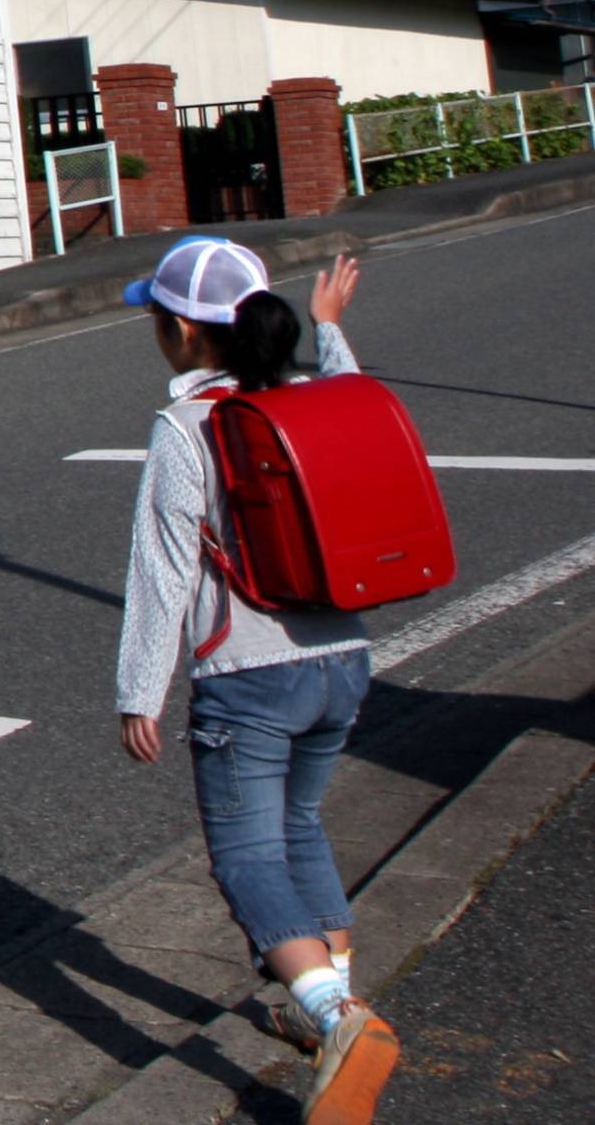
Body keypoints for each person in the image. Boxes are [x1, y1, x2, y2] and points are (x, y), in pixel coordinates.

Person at [114, 239, 396, 1124]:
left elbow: (163, 569)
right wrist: (332, 329)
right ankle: (324, 1014)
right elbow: (357, 406)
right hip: (341, 661)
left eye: (157, 319)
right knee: (302, 827)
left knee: (245, 858)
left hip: (249, 675)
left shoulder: (186, 427)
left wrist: (140, 690)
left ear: (183, 333)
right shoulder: (307, 394)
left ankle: (338, 1017)